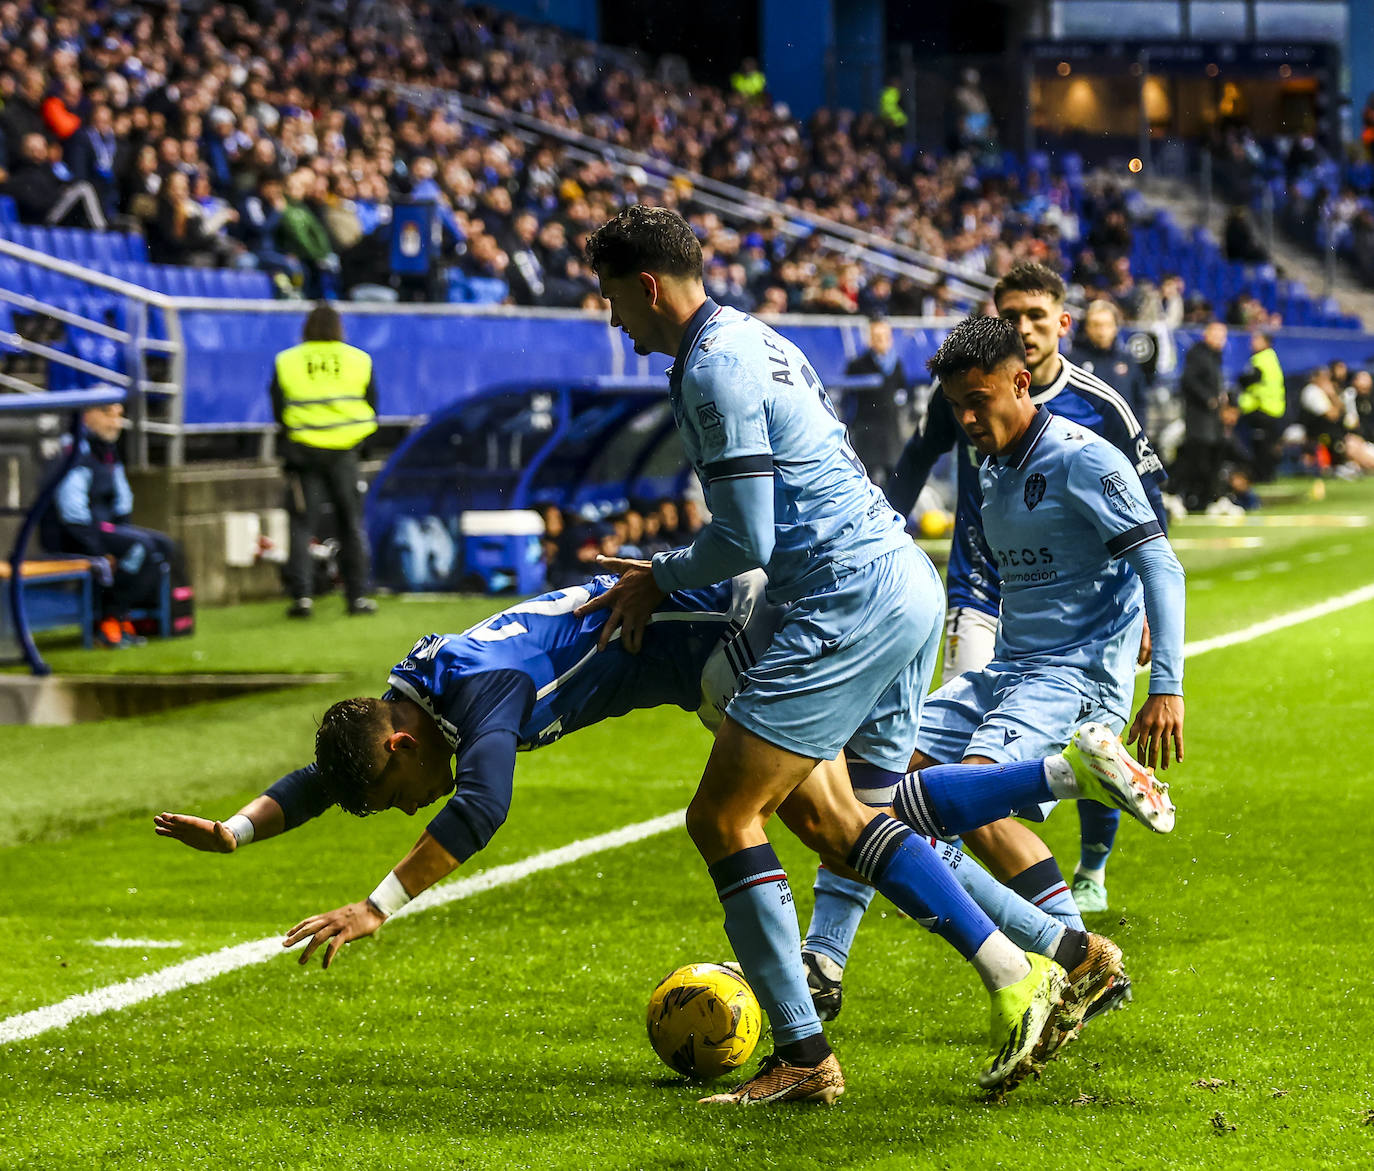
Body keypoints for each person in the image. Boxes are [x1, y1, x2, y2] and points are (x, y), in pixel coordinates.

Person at [155, 571, 1150, 1079]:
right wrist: (239, 831)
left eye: (394, 796)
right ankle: (1063, 796)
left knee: (797, 822)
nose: (399, 807)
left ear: (405, 748)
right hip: (730, 639)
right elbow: (335, 774)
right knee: (859, 817)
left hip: (730, 641)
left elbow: (484, 803)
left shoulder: (483, 697)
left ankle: (864, 1036)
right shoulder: (411, 697)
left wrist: (379, 903)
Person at [575, 206, 1073, 1103]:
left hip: (843, 599)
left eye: (613, 298)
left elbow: (748, 536)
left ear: (646, 286)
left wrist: (658, 572)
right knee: (851, 821)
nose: (613, 318)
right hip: (899, 581)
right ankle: (1034, 967)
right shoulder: (751, 338)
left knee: (724, 818)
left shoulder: (711, 368)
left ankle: (805, 1057)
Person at [802, 315, 1184, 1018]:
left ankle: (1077, 778)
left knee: (955, 798)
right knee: (871, 783)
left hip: (1072, 679)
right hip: (1009, 668)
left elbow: (1159, 561)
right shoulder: (991, 463)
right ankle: (1069, 951)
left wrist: (1166, 686)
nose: (969, 418)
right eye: (957, 406)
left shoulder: (1083, 456)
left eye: (980, 400)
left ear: (1022, 380)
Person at [876, 262, 1169, 921]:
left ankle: (1080, 883)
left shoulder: (1096, 412)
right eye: (1011, 315)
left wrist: (1149, 614)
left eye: (1037, 315)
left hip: (1074, 643)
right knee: (895, 777)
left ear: (1060, 325)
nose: (1024, 327)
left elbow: (1150, 519)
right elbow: (915, 462)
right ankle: (834, 953)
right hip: (983, 597)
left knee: (970, 787)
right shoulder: (963, 391)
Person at [41, 401, 188, 648]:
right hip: (71, 535)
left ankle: (123, 616)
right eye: (108, 414)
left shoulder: (107, 452)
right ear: (87, 415)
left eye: (119, 415)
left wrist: (122, 533)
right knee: (138, 548)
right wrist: (103, 549)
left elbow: (123, 501)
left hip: (102, 529)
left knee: (163, 546)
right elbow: (72, 514)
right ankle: (108, 620)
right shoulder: (74, 452)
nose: (115, 422)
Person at [270, 303, 378, 618]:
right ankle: (357, 597)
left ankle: (302, 598)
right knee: (350, 524)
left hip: (303, 455)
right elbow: (371, 405)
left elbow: (278, 408)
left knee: (303, 525)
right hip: (345, 453)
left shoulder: (287, 360)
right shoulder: (358, 359)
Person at [842, 316, 909, 486]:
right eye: (877, 337)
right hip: (866, 431)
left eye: (885, 336)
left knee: (893, 479)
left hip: (890, 431)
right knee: (865, 479)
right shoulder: (857, 365)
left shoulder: (896, 365)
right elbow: (848, 399)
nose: (882, 341)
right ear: (870, 339)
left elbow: (904, 392)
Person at [1174, 322, 1230, 512]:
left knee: (1210, 456)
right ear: (1206, 335)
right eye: (1216, 335)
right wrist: (1208, 398)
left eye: (1222, 337)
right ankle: (1187, 496)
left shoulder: (1214, 357)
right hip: (1199, 418)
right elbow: (1188, 380)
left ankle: (1204, 499)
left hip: (1211, 419)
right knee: (1198, 458)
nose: (1220, 341)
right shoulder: (1198, 354)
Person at [1067, 300, 1148, 418]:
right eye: (1096, 325)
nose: (1102, 332)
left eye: (1107, 325)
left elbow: (1140, 403)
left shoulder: (1128, 360)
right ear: (1087, 328)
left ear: (1115, 327)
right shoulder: (1072, 362)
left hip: (1121, 434)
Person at [1236, 330, 1286, 483]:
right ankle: (1267, 475)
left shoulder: (1261, 359)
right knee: (1267, 445)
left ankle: (1261, 476)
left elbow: (1247, 379)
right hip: (1273, 408)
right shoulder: (1272, 358)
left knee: (1261, 446)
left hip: (1262, 409)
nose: (1252, 343)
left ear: (1265, 342)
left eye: (1256, 339)